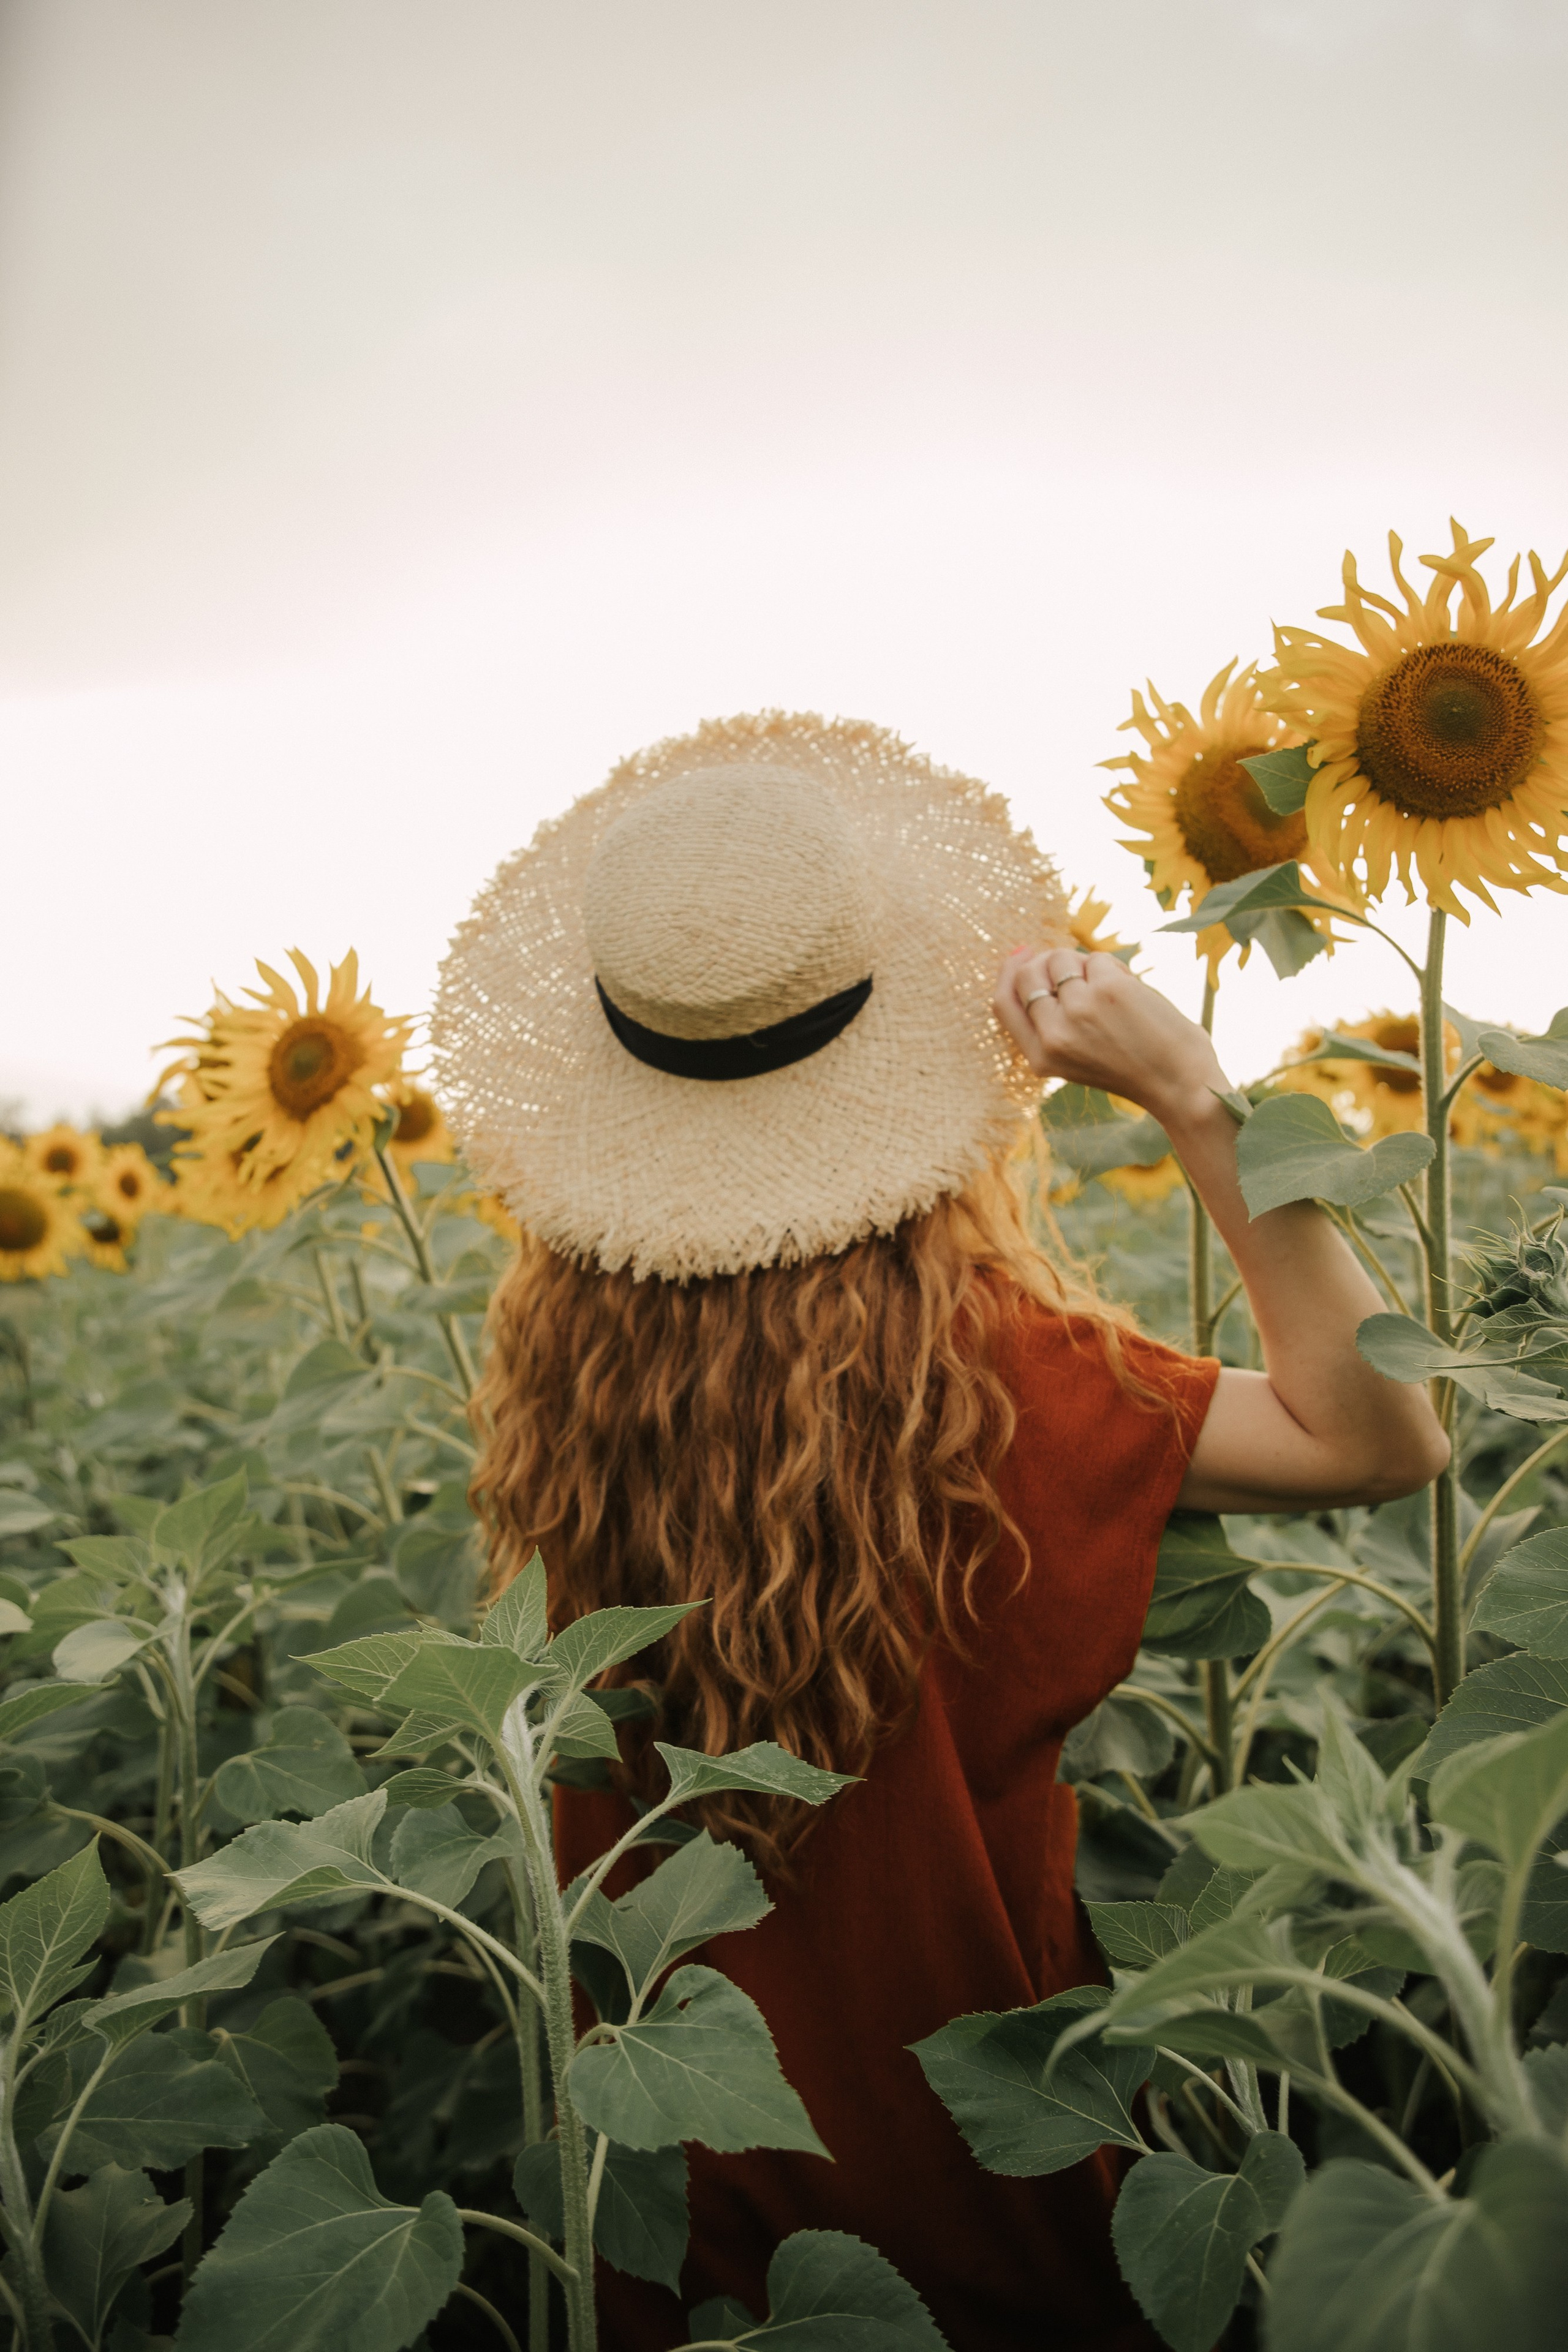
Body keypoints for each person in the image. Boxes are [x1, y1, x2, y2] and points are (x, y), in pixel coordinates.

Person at [434, 711, 1449, 2351]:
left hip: (670, 2206)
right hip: (977, 2188)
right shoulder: (985, 1389)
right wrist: (1197, 1094)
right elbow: (1384, 1430)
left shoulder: (564, 1400)